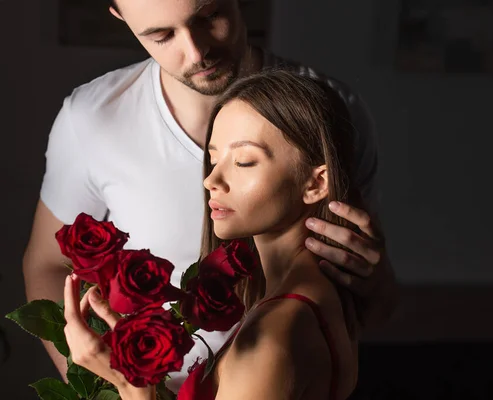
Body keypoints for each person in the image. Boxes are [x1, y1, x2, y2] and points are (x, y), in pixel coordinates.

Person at [23, 0, 398, 392]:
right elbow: (47, 263)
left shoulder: (331, 112)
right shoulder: (93, 118)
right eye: (162, 35)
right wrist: (97, 387)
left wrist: (374, 279)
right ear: (121, 17)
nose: (196, 51)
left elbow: (370, 304)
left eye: (209, 16)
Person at [64, 69, 368, 400]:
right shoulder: (322, 294)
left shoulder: (273, 337)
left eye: (244, 161)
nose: (212, 180)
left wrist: (130, 385)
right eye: (213, 159)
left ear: (315, 183)